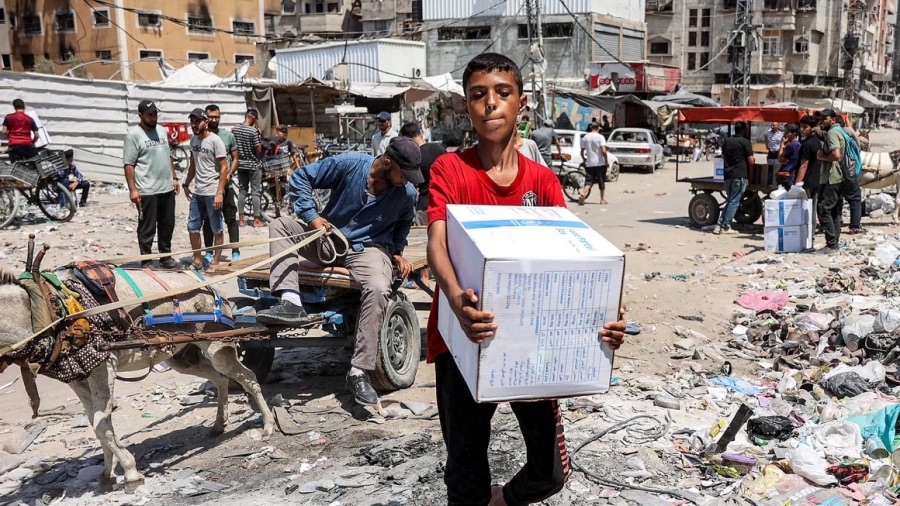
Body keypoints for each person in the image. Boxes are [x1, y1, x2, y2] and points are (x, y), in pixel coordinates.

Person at [426, 52, 627, 506]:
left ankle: (502, 502)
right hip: (464, 341)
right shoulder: (450, 171)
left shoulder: (543, 182)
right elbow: (436, 244)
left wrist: (608, 312)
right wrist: (457, 300)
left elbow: (573, 263)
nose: (490, 105)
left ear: (522, 103)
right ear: (466, 106)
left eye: (502, 93)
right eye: (478, 96)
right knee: (465, 472)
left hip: (531, 348)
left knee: (550, 472)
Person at [255, 137, 421, 406]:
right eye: (404, 175)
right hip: (329, 239)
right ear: (387, 163)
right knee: (280, 225)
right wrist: (311, 216)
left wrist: (397, 251)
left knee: (379, 288)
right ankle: (291, 301)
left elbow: (403, 222)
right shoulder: (351, 164)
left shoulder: (406, 194)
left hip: (370, 249)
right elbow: (300, 177)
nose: (407, 181)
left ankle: (359, 371)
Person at [123, 100, 180, 269]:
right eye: (150, 115)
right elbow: (129, 164)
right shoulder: (133, 135)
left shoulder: (162, 131)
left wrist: (174, 177)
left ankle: (165, 257)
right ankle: (147, 260)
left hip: (166, 188)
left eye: (155, 114)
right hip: (147, 189)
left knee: (167, 224)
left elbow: (168, 155)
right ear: (140, 115)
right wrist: (133, 189)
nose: (153, 117)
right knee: (147, 227)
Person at [183, 108, 228, 269]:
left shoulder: (216, 141)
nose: (194, 125)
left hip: (212, 191)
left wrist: (219, 193)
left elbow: (224, 168)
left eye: (197, 121)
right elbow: (193, 164)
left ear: (206, 122)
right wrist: (186, 184)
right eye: (192, 121)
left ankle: (216, 262)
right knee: (193, 227)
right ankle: (197, 260)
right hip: (198, 192)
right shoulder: (193, 140)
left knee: (217, 228)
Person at [202, 104, 241, 263]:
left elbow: (235, 158)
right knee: (208, 221)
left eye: (217, 117)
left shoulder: (228, 136)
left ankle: (235, 251)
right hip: (208, 187)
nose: (214, 119)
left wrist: (230, 173)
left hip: (227, 186)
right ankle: (209, 252)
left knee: (231, 219)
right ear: (206, 117)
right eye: (211, 116)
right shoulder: (201, 137)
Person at [714, 121, 754, 235]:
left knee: (730, 200)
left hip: (727, 175)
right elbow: (751, 161)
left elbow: (722, 156)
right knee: (734, 202)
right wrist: (749, 177)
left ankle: (719, 225)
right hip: (739, 175)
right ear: (743, 130)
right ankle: (726, 226)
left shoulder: (727, 141)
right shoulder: (745, 142)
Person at [816, 109, 847, 253]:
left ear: (833, 119)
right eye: (820, 118)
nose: (822, 120)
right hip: (840, 177)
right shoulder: (841, 131)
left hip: (831, 177)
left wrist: (821, 157)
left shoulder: (832, 133)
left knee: (823, 209)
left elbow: (836, 155)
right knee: (835, 212)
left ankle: (832, 244)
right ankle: (835, 243)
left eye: (825, 118)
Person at [233, 108, 265, 228]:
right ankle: (256, 220)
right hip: (253, 165)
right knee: (255, 192)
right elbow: (258, 150)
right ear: (252, 117)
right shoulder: (253, 131)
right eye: (255, 119)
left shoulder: (235, 129)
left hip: (240, 164)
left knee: (242, 191)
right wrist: (259, 137)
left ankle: (241, 220)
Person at [836, 115, 864, 234]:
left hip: (835, 174)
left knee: (838, 198)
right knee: (855, 199)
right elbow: (858, 147)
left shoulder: (829, 133)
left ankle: (837, 222)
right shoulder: (848, 131)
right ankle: (855, 226)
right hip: (849, 171)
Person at [796, 115, 822, 232]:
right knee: (812, 208)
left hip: (807, 181)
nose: (802, 129)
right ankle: (810, 235)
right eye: (801, 127)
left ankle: (807, 235)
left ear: (812, 128)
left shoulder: (807, 144)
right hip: (817, 180)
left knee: (805, 209)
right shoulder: (818, 142)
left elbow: (803, 165)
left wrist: (796, 184)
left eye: (805, 127)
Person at [579, 123, 609, 206]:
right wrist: (606, 161)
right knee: (601, 180)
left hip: (589, 163)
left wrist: (584, 159)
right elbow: (603, 150)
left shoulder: (585, 137)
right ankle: (602, 199)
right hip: (600, 163)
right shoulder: (600, 137)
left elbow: (582, 151)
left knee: (589, 181)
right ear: (598, 128)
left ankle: (583, 193)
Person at [776, 124, 801, 189]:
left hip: (786, 174)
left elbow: (780, 159)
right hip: (792, 174)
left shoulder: (791, 145)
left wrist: (781, 144)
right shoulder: (798, 144)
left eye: (787, 132)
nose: (785, 134)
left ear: (794, 133)